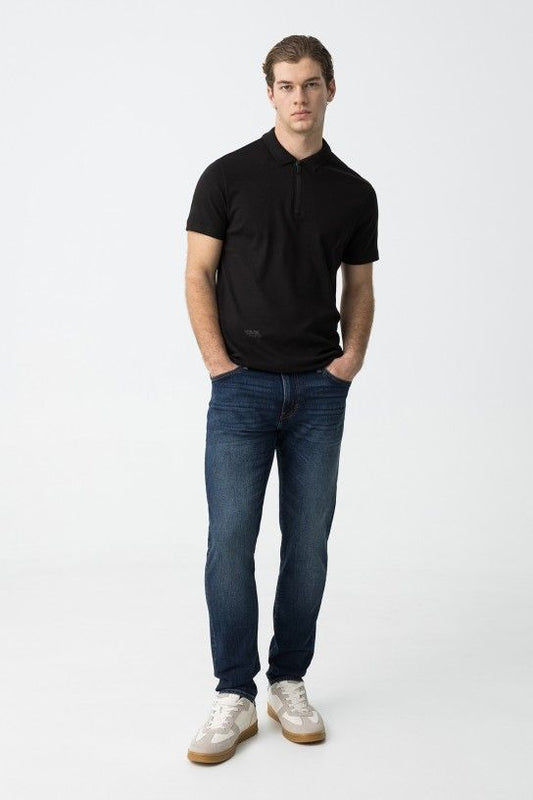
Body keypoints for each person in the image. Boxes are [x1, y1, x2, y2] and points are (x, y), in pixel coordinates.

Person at [184, 34, 379, 764]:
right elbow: (197, 274)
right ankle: (234, 693)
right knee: (230, 542)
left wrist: (348, 362)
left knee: (307, 544)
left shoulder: (354, 191)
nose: (300, 98)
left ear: (331, 89)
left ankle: (287, 681)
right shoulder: (226, 177)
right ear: (269, 92)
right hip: (241, 391)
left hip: (319, 394)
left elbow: (359, 285)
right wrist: (220, 366)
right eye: (287, 85)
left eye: (311, 84)